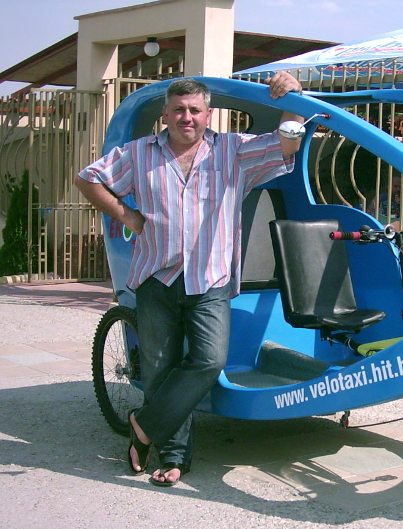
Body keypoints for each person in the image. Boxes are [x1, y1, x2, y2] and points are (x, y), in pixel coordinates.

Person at [75, 73, 304, 486]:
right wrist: (125, 214)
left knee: (209, 359)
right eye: (178, 110)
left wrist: (293, 98)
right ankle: (174, 456)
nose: (187, 117)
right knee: (160, 370)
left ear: (207, 114)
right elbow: (89, 178)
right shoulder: (138, 153)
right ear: (165, 114)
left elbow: (285, 144)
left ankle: (142, 427)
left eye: (194, 110)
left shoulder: (232, 151)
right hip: (155, 277)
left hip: (210, 279)